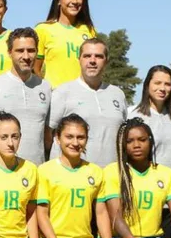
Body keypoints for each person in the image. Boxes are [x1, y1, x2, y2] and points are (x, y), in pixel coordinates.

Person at [48, 38, 126, 166]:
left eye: (99, 56)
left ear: (106, 61)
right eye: (87, 56)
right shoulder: (63, 92)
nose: (92, 61)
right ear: (79, 59)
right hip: (73, 175)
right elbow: (48, 135)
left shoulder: (118, 94)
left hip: (111, 176)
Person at [0, 28, 52, 164]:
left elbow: (48, 136)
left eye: (31, 50)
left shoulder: (45, 87)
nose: (26, 56)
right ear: (9, 52)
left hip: (36, 171)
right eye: (20, 51)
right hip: (3, 171)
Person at [35, 0, 96, 87]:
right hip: (56, 97)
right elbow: (35, 69)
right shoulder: (42, 29)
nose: (75, 1)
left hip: (84, 96)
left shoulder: (89, 30)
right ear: (58, 0)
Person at [131, 65, 171, 176]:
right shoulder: (133, 118)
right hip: (147, 188)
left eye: (167, 84)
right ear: (147, 85)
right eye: (157, 83)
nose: (162, 88)